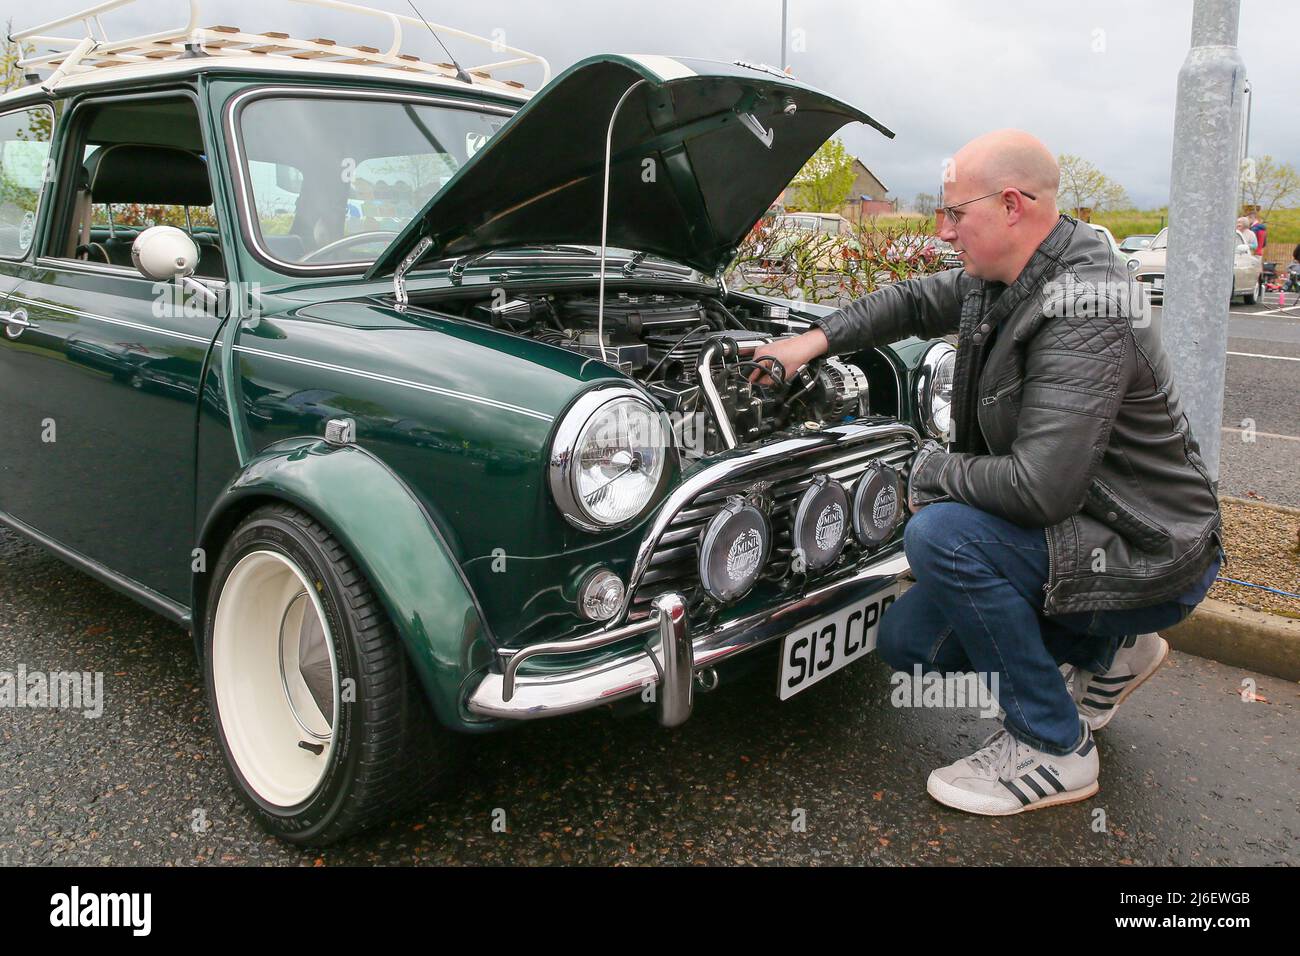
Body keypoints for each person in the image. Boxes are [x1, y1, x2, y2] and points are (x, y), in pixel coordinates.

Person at [751, 129, 1223, 817]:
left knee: (944, 536)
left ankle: (1053, 746)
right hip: (1088, 531)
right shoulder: (1004, 275)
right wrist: (809, 343)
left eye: (954, 213)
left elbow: (1040, 488)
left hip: (1149, 548)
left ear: (1011, 205)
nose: (941, 231)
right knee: (914, 645)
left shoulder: (1088, 306)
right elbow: (911, 302)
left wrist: (927, 468)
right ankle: (1115, 646)